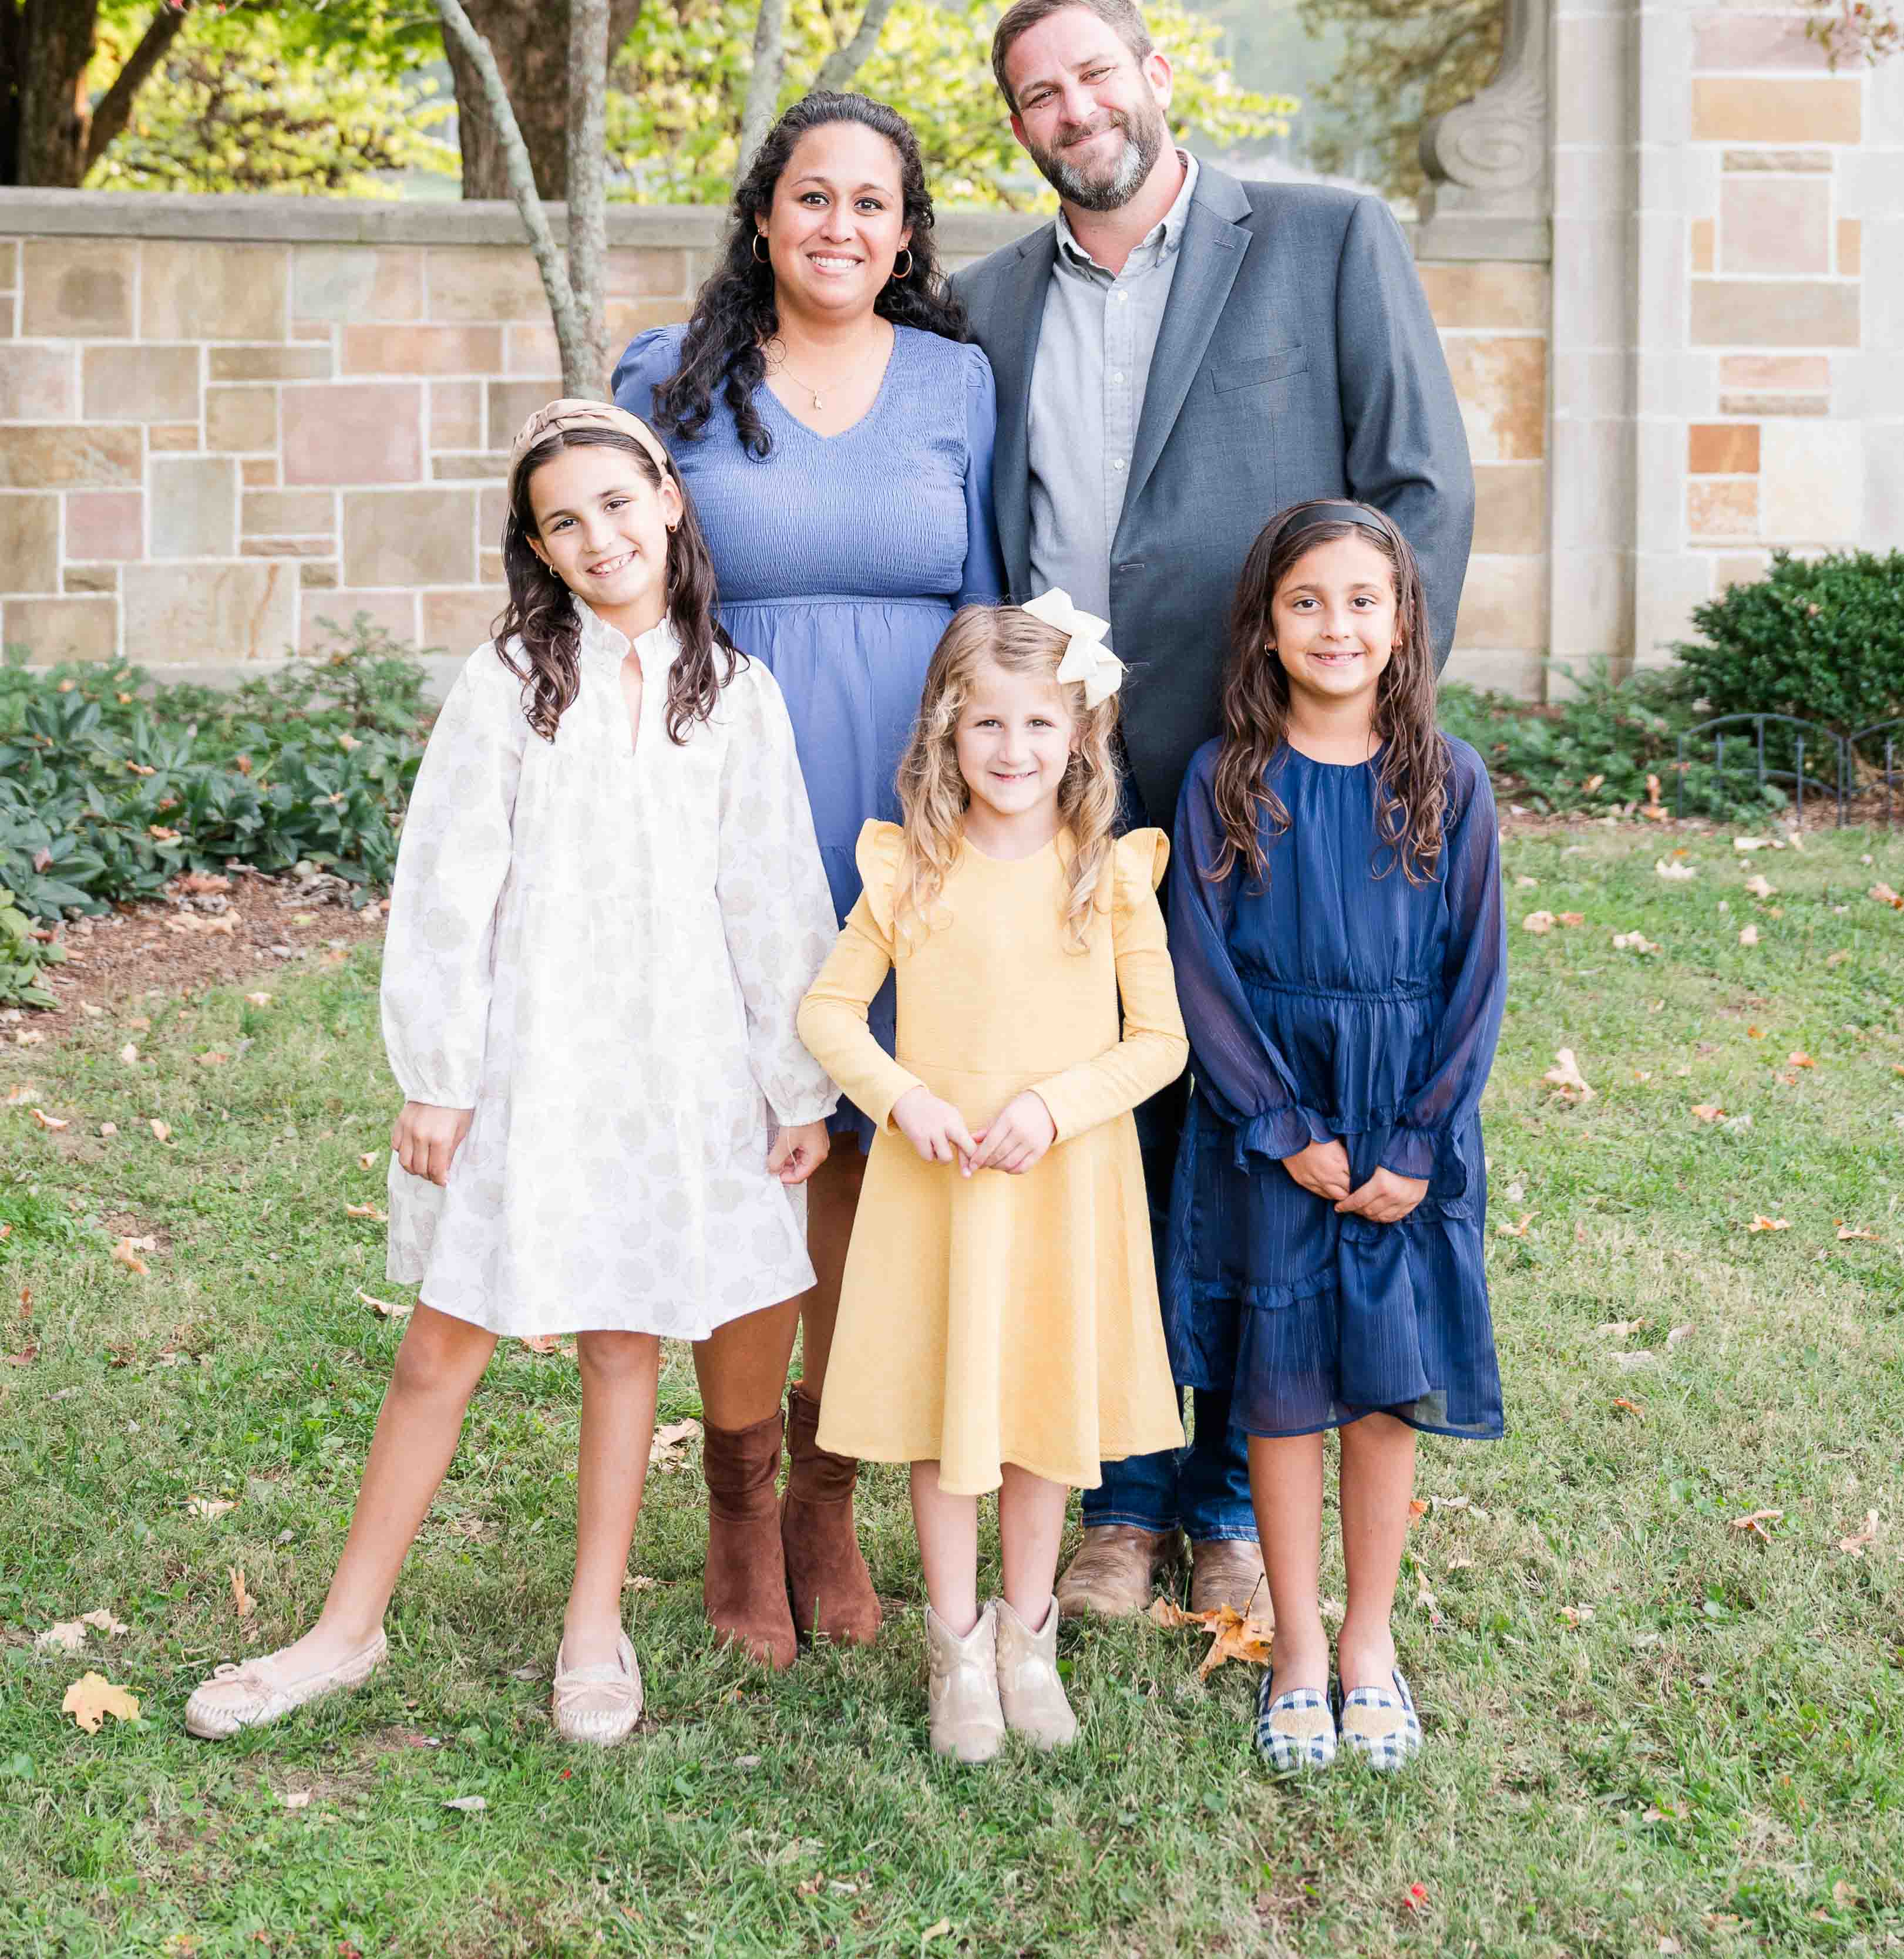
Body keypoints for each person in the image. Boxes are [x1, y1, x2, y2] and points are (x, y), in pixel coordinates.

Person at [183, 400, 839, 1749]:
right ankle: (343, 1628)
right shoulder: (510, 682)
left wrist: (795, 1086)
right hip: (529, 1053)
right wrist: (438, 1071)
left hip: (677, 1063)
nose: (597, 536)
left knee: (622, 1335)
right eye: (562, 521)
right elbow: (446, 880)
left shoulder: (735, 691)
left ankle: (592, 1624)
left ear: (666, 497)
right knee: (444, 1339)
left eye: (615, 501)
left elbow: (773, 894)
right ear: (537, 549)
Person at [956, 0, 1475, 1625]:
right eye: (1037, 94)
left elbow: (1419, 490)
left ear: (1156, 71)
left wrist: (1360, 728)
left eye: (1094, 73)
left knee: (1271, 1128)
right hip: (1078, 780)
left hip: (1280, 766)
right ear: (1019, 123)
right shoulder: (982, 305)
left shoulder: (1322, 238)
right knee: (1117, 1123)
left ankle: (1235, 1500)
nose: (1073, 109)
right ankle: (1119, 1490)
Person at [614, 90, 1003, 1662]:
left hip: (904, 815)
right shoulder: (668, 372)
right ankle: (735, 1488)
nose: (841, 225)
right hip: (724, 806)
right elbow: (608, 595)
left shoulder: (962, 385)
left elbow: (987, 606)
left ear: (908, 235)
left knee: (864, 1153)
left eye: (873, 203)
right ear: (764, 215)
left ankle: (829, 1484)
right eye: (813, 196)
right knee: (749, 1140)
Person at [796, 599, 1188, 1762]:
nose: (1012, 751)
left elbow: (1157, 1041)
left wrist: (1051, 1106)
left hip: (1060, 1188)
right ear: (944, 734)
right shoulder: (910, 867)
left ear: (1081, 736)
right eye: (986, 726)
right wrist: (902, 1097)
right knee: (946, 1418)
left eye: (1037, 724)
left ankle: (1028, 1635)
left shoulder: (1103, 875)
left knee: (1035, 1414)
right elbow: (826, 1010)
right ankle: (956, 1646)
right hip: (941, 1188)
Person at [1165, 501, 1505, 1772]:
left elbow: (1476, 979)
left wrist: (1417, 1140)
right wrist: (1279, 1122)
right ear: (1263, 623)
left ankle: (1370, 1639)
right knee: (1284, 1384)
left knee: (1382, 1388)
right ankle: (1295, 1642)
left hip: (1404, 1123)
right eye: (1306, 599)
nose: (1336, 624)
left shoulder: (1447, 778)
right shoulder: (1224, 779)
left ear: (1403, 620)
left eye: (1363, 599)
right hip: (1276, 1129)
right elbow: (1202, 972)